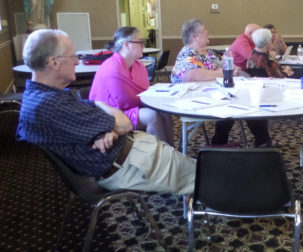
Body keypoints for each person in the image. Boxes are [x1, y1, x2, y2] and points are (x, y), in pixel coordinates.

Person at [17, 29, 195, 194]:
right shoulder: (49, 105)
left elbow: (98, 108)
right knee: (209, 177)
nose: (77, 62)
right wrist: (107, 116)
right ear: (54, 62)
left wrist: (103, 114)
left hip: (136, 154)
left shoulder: (41, 95)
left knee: (205, 167)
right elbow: (124, 123)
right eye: (73, 57)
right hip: (133, 165)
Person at [171, 19, 276, 147]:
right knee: (234, 103)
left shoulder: (208, 52)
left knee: (245, 100)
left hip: (216, 93)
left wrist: (233, 69)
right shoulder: (187, 53)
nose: (207, 32)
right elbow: (191, 75)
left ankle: (261, 141)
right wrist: (224, 73)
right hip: (196, 97)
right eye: (204, 31)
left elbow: (230, 64)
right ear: (195, 37)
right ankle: (222, 143)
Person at [89, 26, 174, 145]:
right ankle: (160, 156)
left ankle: (171, 151)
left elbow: (141, 93)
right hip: (110, 114)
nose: (143, 46)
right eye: (140, 42)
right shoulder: (112, 68)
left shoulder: (137, 66)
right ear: (126, 45)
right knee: (152, 115)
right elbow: (127, 100)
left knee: (164, 110)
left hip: (127, 107)